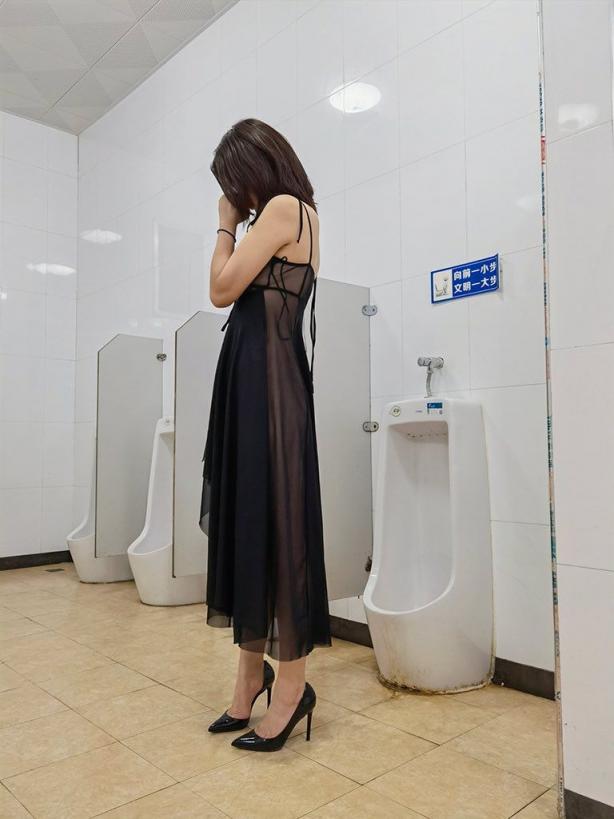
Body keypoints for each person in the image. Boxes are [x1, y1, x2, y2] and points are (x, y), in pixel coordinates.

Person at [199, 118, 332, 752]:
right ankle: (250, 678)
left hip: (272, 391)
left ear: (254, 168)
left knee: (282, 532)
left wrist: (225, 223)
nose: (233, 195)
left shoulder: (284, 209)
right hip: (252, 387)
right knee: (251, 525)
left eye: (234, 182)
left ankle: (292, 688)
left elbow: (221, 288)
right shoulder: (274, 216)